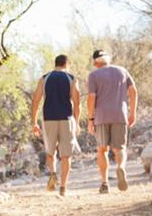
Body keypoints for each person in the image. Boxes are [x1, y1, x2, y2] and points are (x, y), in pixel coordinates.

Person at [87, 50, 138, 194]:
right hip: (120, 115)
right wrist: (132, 113)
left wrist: (91, 119)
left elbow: (91, 97)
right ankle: (121, 166)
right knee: (120, 148)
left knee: (102, 149)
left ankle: (104, 183)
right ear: (108, 60)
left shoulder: (93, 75)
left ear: (95, 62)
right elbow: (133, 91)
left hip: (101, 117)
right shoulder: (122, 71)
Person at [31, 54, 81, 196]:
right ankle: (63, 187)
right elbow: (77, 102)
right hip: (66, 119)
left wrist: (34, 122)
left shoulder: (44, 78)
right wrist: (77, 123)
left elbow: (35, 101)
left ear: (56, 64)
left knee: (50, 151)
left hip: (49, 119)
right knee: (66, 156)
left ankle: (53, 173)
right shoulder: (71, 78)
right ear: (67, 64)